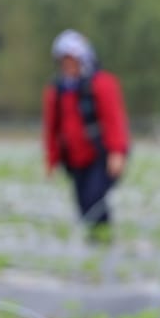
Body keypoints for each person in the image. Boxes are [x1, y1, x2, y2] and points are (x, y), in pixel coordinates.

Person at [42, 29, 130, 236]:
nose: (68, 66)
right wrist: (52, 160)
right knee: (82, 203)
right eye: (64, 61)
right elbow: (52, 128)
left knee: (95, 197)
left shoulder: (102, 84)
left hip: (101, 154)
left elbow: (114, 119)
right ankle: (95, 239)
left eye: (72, 60)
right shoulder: (57, 91)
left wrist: (117, 151)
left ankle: (103, 237)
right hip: (74, 158)